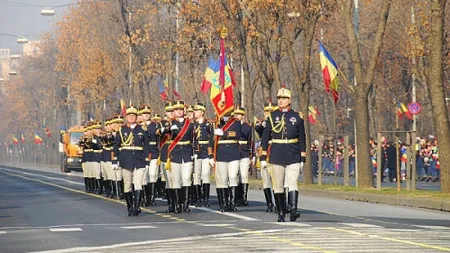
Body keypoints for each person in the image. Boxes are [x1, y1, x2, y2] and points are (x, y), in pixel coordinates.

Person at [260, 86, 306, 222]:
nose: (280, 101)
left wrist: (302, 156)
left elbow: (302, 137)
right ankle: (280, 212)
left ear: (289, 100)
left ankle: (293, 209)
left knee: (292, 182)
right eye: (279, 98)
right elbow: (265, 137)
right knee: (278, 185)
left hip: (293, 153)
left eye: (284, 98)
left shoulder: (297, 117)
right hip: (277, 153)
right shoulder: (272, 116)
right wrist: (263, 157)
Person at [112, 105, 150, 216]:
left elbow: (146, 146)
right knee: (127, 184)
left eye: (134, 116)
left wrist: (147, 160)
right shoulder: (121, 130)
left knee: (138, 183)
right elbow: (116, 146)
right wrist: (115, 160)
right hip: (126, 160)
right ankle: (130, 206)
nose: (132, 118)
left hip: (139, 160)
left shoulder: (142, 129)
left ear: (136, 117)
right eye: (130, 116)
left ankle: (136, 206)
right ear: (126, 117)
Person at [166, 100, 196, 213]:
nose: (178, 112)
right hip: (175, 153)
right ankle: (177, 203)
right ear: (173, 112)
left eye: (180, 110)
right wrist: (168, 130)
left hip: (187, 153)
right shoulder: (170, 123)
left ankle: (185, 203)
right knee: (176, 180)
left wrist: (194, 152)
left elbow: (194, 138)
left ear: (183, 111)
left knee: (187, 178)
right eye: (176, 110)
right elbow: (166, 137)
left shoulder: (190, 124)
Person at [209, 109, 242, 212]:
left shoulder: (236, 122)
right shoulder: (216, 124)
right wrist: (210, 156)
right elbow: (211, 141)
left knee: (233, 177)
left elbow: (236, 134)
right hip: (221, 154)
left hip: (233, 154)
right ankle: (223, 203)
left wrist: (223, 133)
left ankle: (232, 203)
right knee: (222, 180)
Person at [254, 101, 275, 212]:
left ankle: (280, 203)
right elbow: (258, 131)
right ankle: (269, 203)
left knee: (277, 181)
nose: (268, 113)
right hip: (264, 152)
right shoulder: (262, 123)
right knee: (266, 180)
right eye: (267, 111)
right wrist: (262, 126)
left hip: (275, 151)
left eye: (271, 111)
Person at [192, 102, 212, 207]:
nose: (194, 112)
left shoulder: (208, 124)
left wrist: (211, 154)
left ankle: (206, 198)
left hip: (205, 152)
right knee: (197, 175)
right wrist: (193, 151)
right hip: (196, 152)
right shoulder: (193, 125)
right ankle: (198, 198)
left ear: (202, 112)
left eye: (197, 111)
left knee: (205, 174)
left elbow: (211, 139)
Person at [234, 106, 252, 206]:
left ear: (243, 116)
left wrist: (251, 155)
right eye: (236, 114)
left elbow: (250, 142)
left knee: (244, 175)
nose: (237, 116)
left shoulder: (247, 127)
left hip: (244, 153)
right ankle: (236, 197)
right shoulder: (232, 126)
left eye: (239, 114)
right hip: (235, 152)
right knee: (235, 175)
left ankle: (244, 198)